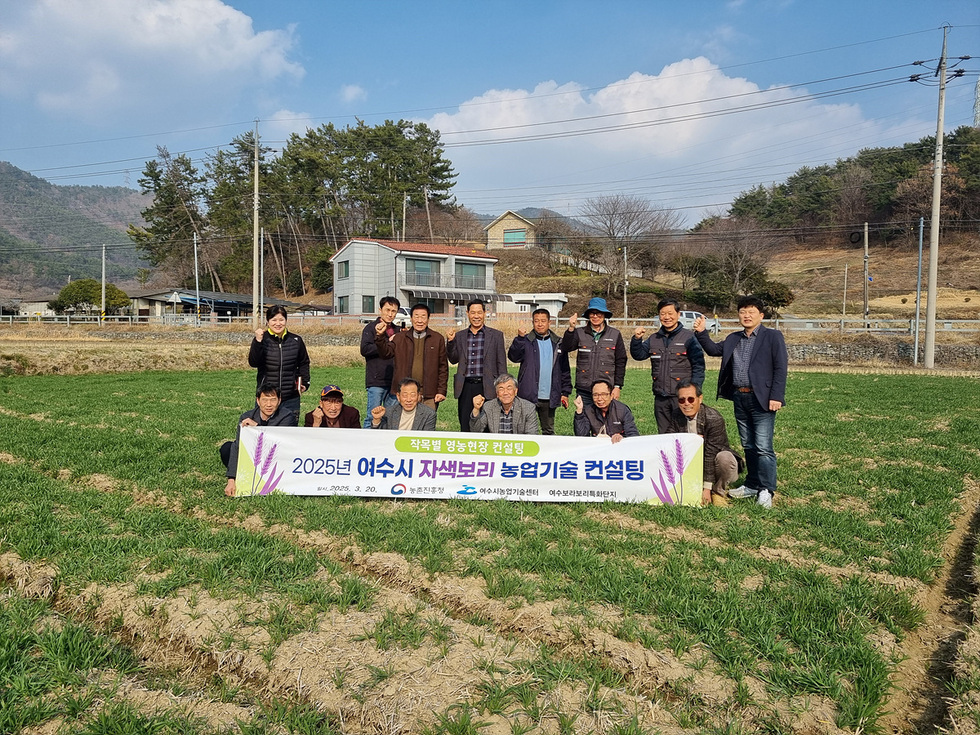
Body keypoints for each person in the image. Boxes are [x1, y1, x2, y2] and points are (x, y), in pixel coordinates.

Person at [693, 295, 788, 509]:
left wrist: (776, 396)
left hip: (762, 398)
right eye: (743, 312)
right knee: (748, 444)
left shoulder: (772, 337)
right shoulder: (734, 338)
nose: (746, 315)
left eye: (751, 312)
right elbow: (713, 350)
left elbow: (781, 368)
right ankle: (753, 484)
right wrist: (701, 332)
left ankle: (766, 489)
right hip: (740, 397)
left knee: (763, 446)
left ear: (761, 315)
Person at [631, 299, 706, 433]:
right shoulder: (654, 338)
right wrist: (636, 339)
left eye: (670, 313)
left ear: (678, 314)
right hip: (661, 397)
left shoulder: (688, 337)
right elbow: (639, 355)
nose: (666, 317)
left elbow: (698, 365)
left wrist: (694, 391)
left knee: (685, 433)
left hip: (682, 398)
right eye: (662, 314)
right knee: (664, 435)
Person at [668, 380, 743, 507]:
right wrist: (690, 440)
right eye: (682, 400)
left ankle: (718, 492)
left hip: (714, 463)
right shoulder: (676, 415)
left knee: (725, 458)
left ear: (700, 399)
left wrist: (706, 489)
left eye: (691, 399)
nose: (687, 404)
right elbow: (670, 439)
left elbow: (710, 453)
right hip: (693, 464)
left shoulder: (714, 418)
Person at [221, 384, 297, 497]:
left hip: (277, 459)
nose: (269, 405)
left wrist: (256, 427)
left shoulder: (287, 416)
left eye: (273, 400)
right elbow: (238, 446)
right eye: (265, 400)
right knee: (227, 447)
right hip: (253, 457)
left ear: (279, 400)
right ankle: (243, 475)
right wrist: (231, 479)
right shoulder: (246, 417)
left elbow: (279, 442)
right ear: (258, 400)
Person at [508, 308, 571, 435]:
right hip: (528, 395)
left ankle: (547, 455)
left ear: (549, 322)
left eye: (543, 321)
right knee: (524, 430)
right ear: (533, 322)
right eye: (536, 321)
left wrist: (565, 392)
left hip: (549, 396)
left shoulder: (558, 343)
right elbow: (513, 357)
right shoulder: (526, 341)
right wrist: (519, 338)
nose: (540, 324)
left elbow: (564, 370)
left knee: (548, 431)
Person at [446, 299, 507, 432]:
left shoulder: (496, 336)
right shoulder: (460, 336)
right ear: (467, 313)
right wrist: (450, 342)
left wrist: (502, 388)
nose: (476, 316)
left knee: (489, 425)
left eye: (479, 312)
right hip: (465, 386)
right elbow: (453, 359)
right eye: (473, 313)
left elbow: (501, 364)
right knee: (466, 424)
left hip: (489, 386)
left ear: (485, 313)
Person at [374, 303, 448, 411]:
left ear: (428, 319)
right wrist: (380, 336)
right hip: (404, 394)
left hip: (428, 394)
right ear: (411, 318)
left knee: (426, 425)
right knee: (402, 425)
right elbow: (386, 354)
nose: (419, 320)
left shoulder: (437, 339)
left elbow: (443, 367)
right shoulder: (400, 338)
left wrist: (441, 391)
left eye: (423, 317)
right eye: (416, 316)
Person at [247, 305, 310, 425]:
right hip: (267, 397)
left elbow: (304, 362)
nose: (278, 323)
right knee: (264, 432)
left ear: (286, 321)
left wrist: (305, 382)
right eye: (274, 320)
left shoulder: (296, 340)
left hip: (290, 397)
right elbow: (253, 362)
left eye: (281, 320)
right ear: (268, 322)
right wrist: (257, 342)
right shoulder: (262, 339)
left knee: (288, 433)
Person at [561, 297, 627, 407]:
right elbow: (566, 347)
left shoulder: (615, 334)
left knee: (605, 422)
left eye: (599, 313)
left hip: (606, 390)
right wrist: (571, 328)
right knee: (583, 421)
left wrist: (617, 386)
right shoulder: (579, 333)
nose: (595, 316)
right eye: (592, 313)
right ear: (588, 315)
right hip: (584, 390)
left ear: (605, 314)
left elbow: (621, 361)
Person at [360, 296, 400, 428]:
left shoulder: (398, 330)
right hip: (376, 380)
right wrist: (386, 342)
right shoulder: (370, 328)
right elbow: (365, 349)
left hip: (394, 382)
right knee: (372, 416)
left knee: (391, 418)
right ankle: (368, 443)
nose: (390, 314)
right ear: (380, 310)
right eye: (387, 310)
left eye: (394, 311)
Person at [573, 378, 639, 443]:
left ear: (611, 395)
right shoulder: (588, 410)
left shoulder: (622, 410)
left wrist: (622, 438)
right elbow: (581, 437)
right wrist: (579, 412)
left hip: (618, 447)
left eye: (604, 394)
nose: (599, 398)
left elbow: (633, 435)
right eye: (595, 395)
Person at [470, 374, 540, 434]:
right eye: (501, 389)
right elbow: (476, 431)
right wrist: (476, 409)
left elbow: (531, 436)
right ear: (497, 393)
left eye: (509, 388)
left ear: (515, 391)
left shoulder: (528, 408)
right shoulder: (489, 406)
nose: (505, 393)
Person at [370, 378, 437, 431]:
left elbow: (427, 438)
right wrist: (376, 420)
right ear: (398, 397)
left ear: (419, 396)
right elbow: (378, 437)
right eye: (405, 395)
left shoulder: (428, 414)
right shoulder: (389, 412)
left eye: (413, 395)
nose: (408, 400)